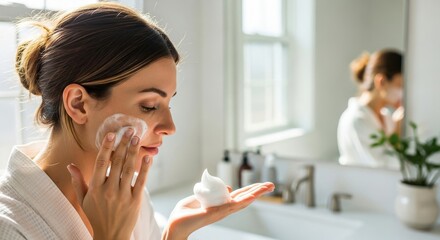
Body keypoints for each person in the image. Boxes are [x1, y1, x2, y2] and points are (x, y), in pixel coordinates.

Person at [0, 3, 274, 240]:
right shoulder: (9, 226)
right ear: (78, 104)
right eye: (149, 106)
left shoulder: (124, 194)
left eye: (168, 104)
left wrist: (174, 233)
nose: (170, 126)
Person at [337, 49, 404, 169]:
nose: (403, 94)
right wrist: (397, 130)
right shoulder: (356, 120)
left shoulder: (387, 117)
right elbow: (384, 168)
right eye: (400, 86)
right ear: (381, 81)